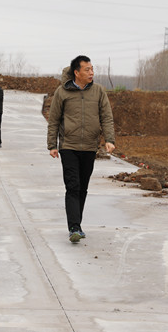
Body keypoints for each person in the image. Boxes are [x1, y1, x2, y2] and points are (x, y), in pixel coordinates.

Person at [47, 55, 115, 244]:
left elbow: (106, 117)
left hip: (89, 147)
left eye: (92, 69)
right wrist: (52, 145)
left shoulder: (99, 91)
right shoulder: (62, 92)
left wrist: (109, 139)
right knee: (73, 186)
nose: (91, 72)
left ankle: (77, 225)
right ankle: (74, 228)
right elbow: (54, 119)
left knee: (83, 187)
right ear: (76, 72)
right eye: (87, 69)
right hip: (68, 146)